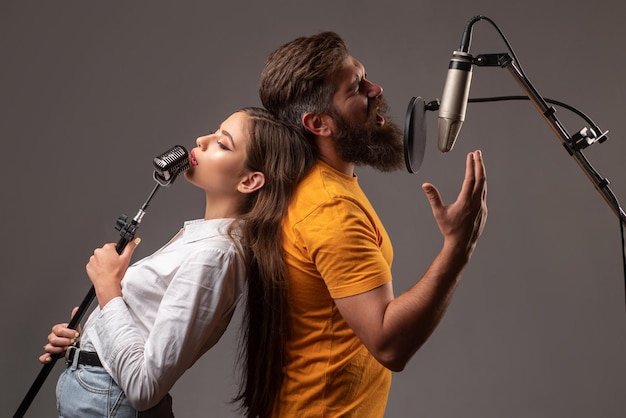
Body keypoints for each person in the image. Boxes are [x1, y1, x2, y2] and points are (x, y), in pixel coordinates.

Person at [235, 32, 488, 417]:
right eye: (356, 87)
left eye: (364, 75)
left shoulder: (319, 183)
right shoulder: (330, 209)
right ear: (319, 123)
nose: (376, 88)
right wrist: (457, 247)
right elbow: (389, 345)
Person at [39, 107, 314, 417]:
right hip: (95, 395)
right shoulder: (201, 242)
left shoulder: (215, 256)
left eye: (223, 144)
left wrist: (108, 289)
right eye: (213, 132)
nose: (201, 140)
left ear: (250, 181)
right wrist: (86, 336)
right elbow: (142, 332)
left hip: (109, 404)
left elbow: (144, 388)